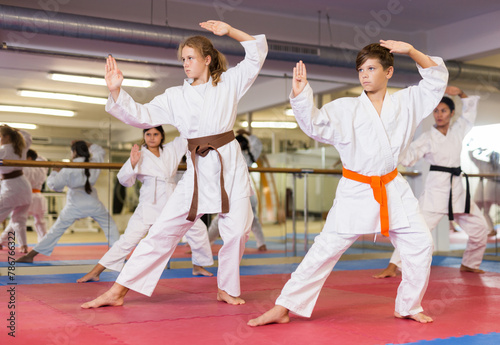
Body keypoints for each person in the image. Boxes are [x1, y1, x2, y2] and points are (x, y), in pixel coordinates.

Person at [248, 40, 448, 326]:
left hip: (392, 186)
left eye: (371, 68)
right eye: (360, 70)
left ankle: (408, 305)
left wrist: (413, 51)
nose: (364, 75)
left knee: (420, 244)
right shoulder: (345, 109)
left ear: (389, 72)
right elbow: (314, 124)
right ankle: (284, 306)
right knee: (325, 249)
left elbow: (436, 79)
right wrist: (300, 93)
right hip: (356, 189)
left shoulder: (408, 102)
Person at [81, 20, 267, 309]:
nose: (185, 64)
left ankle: (226, 288)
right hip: (196, 172)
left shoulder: (230, 83)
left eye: (191, 58)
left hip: (229, 166)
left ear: (207, 59)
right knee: (161, 232)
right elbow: (142, 114)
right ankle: (118, 291)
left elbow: (256, 51)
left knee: (239, 230)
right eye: (183, 59)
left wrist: (229, 31)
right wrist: (117, 91)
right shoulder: (175, 96)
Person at [374, 87, 489, 278]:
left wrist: (460, 93)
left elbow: (469, 113)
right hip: (436, 190)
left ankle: (470, 262)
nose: (439, 115)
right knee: (418, 230)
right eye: (436, 111)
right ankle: (393, 266)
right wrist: (396, 145)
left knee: (480, 228)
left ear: (452, 113)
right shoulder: (427, 137)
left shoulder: (458, 130)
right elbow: (409, 156)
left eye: (443, 110)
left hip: (458, 189)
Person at [77, 127, 213, 283]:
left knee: (198, 228)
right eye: (148, 134)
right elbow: (124, 180)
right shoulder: (139, 154)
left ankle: (198, 265)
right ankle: (96, 271)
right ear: (144, 136)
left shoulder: (171, 149)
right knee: (129, 238)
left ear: (162, 136)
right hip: (150, 201)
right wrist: (133, 164)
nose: (152, 137)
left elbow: (185, 135)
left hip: (173, 199)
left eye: (156, 134)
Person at [17, 141, 120, 262]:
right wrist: (88, 144)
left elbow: (55, 186)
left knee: (55, 231)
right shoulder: (94, 162)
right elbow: (100, 151)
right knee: (110, 226)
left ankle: (30, 256)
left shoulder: (68, 168)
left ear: (74, 152)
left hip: (74, 205)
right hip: (93, 203)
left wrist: (55, 171)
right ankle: (119, 254)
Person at [208, 129, 267, 251]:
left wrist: (247, 132)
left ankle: (261, 243)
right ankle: (204, 244)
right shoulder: (226, 154)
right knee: (220, 217)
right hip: (228, 189)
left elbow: (257, 145)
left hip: (245, 190)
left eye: (241, 144)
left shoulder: (248, 156)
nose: (238, 146)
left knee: (253, 218)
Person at [0, 125, 32, 253]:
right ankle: (23, 246)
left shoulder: (3, 150)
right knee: (19, 219)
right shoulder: (21, 147)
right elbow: (28, 136)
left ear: (6, 137)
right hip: (24, 188)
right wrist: (15, 129)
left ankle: (23, 246)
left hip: (11, 188)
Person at [469, 148, 499, 237]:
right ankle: (490, 229)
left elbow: (470, 155)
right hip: (492, 189)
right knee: (485, 211)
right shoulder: (485, 165)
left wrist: (478, 150)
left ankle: (491, 229)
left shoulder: (484, 164)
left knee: (485, 211)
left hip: (490, 189)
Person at [24, 149, 49, 242]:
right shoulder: (41, 168)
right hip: (38, 196)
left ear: (29, 158)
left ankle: (4, 240)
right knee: (40, 221)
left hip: (26, 196)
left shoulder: (24, 168)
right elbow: (43, 159)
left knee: (17, 220)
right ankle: (44, 241)